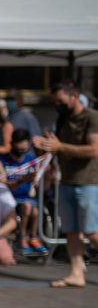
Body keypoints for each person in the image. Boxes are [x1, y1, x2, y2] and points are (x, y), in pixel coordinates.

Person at [33, 79, 98, 288]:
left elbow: (94, 150)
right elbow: (55, 148)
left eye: (61, 100)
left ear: (74, 96)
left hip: (89, 181)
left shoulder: (92, 117)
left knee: (91, 231)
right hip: (67, 181)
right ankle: (76, 273)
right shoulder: (62, 119)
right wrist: (43, 144)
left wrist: (60, 146)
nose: (57, 104)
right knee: (71, 230)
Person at [0, 129, 46, 255]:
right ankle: (22, 237)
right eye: (20, 144)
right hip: (10, 197)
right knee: (27, 207)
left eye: (25, 145)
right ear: (13, 143)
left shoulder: (31, 160)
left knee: (35, 210)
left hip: (26, 196)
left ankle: (34, 237)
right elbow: (3, 183)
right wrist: (22, 179)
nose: (22, 148)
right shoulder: (3, 161)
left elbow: (38, 181)